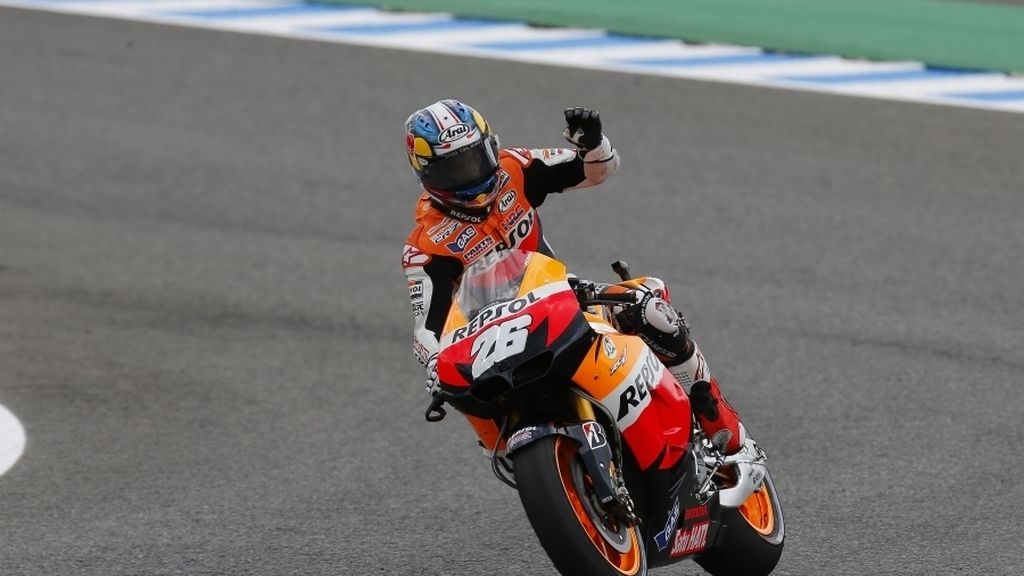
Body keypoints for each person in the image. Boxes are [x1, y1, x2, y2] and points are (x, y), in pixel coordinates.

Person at [400, 99, 747, 453]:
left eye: (476, 159)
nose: (471, 176)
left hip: (558, 300)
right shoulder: (426, 246)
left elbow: (597, 171)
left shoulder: (515, 168)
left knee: (650, 308)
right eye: (453, 170)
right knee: (471, 405)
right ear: (425, 175)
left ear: (492, 146)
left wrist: (593, 145)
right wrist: (435, 362)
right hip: (494, 341)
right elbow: (427, 329)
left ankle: (716, 416)